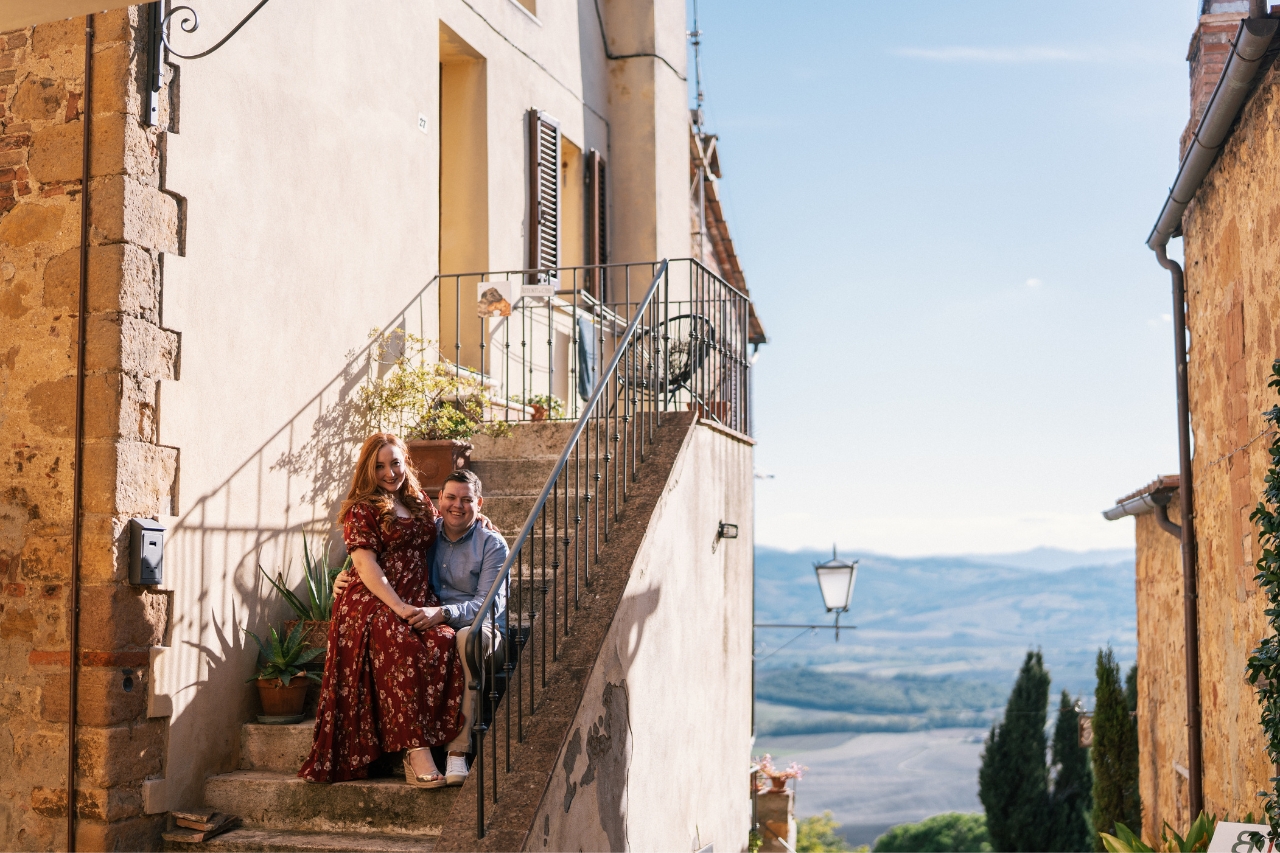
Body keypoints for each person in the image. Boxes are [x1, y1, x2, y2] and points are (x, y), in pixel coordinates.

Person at [298, 433, 465, 788]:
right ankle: (415, 751)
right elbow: (366, 566)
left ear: (406, 462)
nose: (389, 472)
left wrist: (478, 522)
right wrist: (400, 607)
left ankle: (448, 747)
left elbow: (442, 527)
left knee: (443, 639)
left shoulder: (419, 500)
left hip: (415, 595)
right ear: (367, 470)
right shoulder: (363, 508)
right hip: (372, 600)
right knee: (403, 643)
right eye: (379, 466)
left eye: (395, 463)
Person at [333, 468, 508, 787]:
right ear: (437, 500)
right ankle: (415, 749)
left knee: (465, 640)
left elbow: (488, 606)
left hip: (478, 627)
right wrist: (347, 574)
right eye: (451, 498)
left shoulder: (491, 543)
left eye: (467, 500)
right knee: (418, 640)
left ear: (479, 503)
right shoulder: (425, 532)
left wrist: (441, 613)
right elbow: (384, 555)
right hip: (429, 618)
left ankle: (457, 751)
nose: (458, 506)